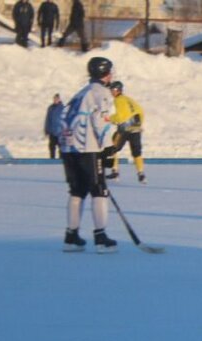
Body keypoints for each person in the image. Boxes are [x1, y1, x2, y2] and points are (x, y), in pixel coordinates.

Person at [59, 56, 118, 253]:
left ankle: (71, 236)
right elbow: (100, 120)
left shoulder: (80, 93)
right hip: (88, 148)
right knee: (99, 190)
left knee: (77, 191)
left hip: (69, 147)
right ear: (107, 74)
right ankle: (101, 238)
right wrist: (108, 148)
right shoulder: (101, 93)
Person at [106, 81, 146, 183]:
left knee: (112, 148)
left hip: (124, 129)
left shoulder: (118, 100)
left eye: (112, 90)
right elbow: (140, 111)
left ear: (116, 90)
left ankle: (115, 171)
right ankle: (141, 173)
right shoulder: (129, 99)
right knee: (136, 152)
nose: (111, 92)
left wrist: (109, 118)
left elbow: (121, 116)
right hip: (136, 129)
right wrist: (138, 124)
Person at [44, 93, 64, 159]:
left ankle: (61, 159)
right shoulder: (50, 108)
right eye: (54, 98)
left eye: (57, 98)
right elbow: (48, 119)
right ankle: (52, 159)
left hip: (60, 132)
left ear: (59, 99)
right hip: (52, 131)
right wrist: (46, 129)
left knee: (61, 147)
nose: (55, 100)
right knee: (52, 147)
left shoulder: (62, 108)